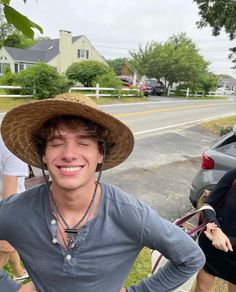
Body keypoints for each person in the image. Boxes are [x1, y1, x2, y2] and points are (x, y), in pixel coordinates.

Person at [0, 93, 205, 292]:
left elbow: (190, 257)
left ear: (100, 153)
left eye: (83, 143)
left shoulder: (131, 214)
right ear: (43, 154)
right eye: (56, 143)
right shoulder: (16, 210)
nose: (69, 154)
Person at [194, 167, 236, 292]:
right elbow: (209, 204)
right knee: (202, 288)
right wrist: (216, 230)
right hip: (213, 242)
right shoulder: (234, 174)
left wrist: (227, 240)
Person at [0, 135, 29, 282]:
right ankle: (18, 272)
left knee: (7, 244)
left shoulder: (9, 147)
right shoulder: (9, 146)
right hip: (7, 205)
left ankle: (18, 272)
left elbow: (8, 197)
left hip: (9, 204)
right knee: (6, 245)